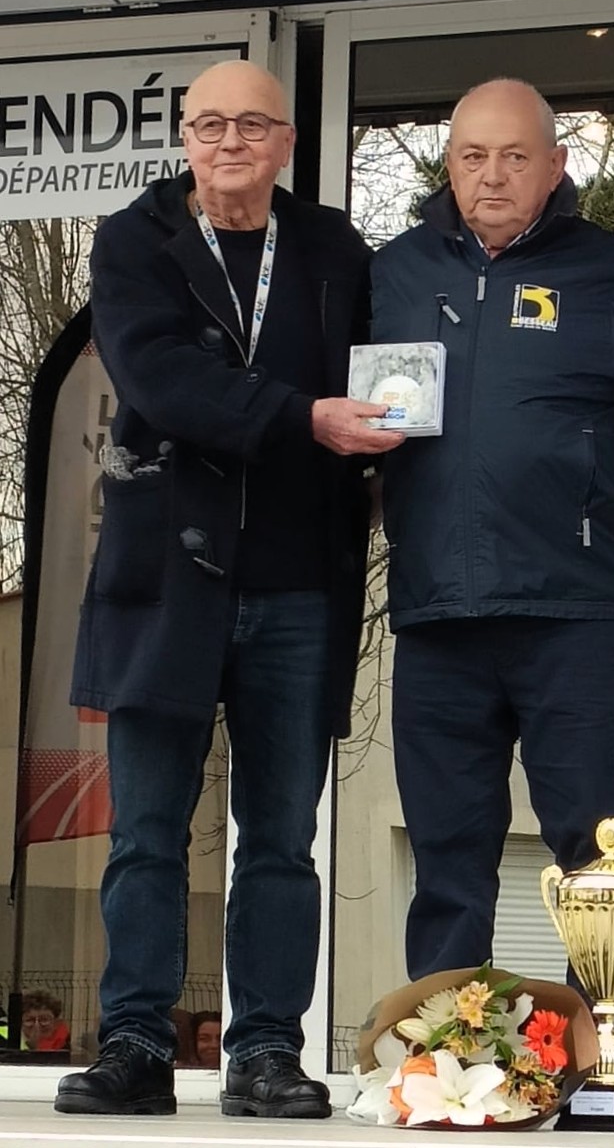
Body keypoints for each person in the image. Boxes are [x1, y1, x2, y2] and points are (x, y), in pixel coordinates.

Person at [56, 60, 403, 1122]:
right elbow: (158, 380)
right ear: (184, 136)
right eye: (209, 125)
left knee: (282, 840)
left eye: (252, 125)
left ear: (287, 141)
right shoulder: (134, 241)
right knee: (145, 833)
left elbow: (388, 378)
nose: (229, 144)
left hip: (299, 583)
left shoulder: (335, 248)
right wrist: (304, 418)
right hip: (166, 580)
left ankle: (264, 1051)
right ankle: (134, 1046)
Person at [371, 78, 614, 1106]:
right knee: (448, 856)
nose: (492, 176)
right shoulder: (394, 273)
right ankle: (448, 1063)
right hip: (437, 611)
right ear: (449, 165)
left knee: (596, 845)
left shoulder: (612, 275)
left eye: (515, 156)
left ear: (557, 165)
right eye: (472, 156)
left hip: (573, 610)